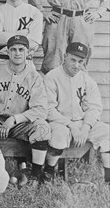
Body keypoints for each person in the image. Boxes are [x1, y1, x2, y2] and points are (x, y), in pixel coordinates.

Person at [0, 35, 51, 184]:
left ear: (28, 53)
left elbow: (41, 109)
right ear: (8, 52)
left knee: (43, 128)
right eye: (13, 50)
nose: (17, 53)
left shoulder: (34, 77)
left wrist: (15, 119)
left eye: (21, 50)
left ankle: (35, 175)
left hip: (17, 124)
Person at [44, 42, 110, 184]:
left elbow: (95, 107)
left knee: (107, 132)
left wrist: (86, 127)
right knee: (59, 135)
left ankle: (108, 180)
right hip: (60, 121)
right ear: (65, 56)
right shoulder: (52, 77)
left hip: (81, 122)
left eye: (81, 61)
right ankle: (48, 172)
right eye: (73, 60)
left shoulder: (87, 80)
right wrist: (71, 126)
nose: (76, 65)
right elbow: (48, 109)